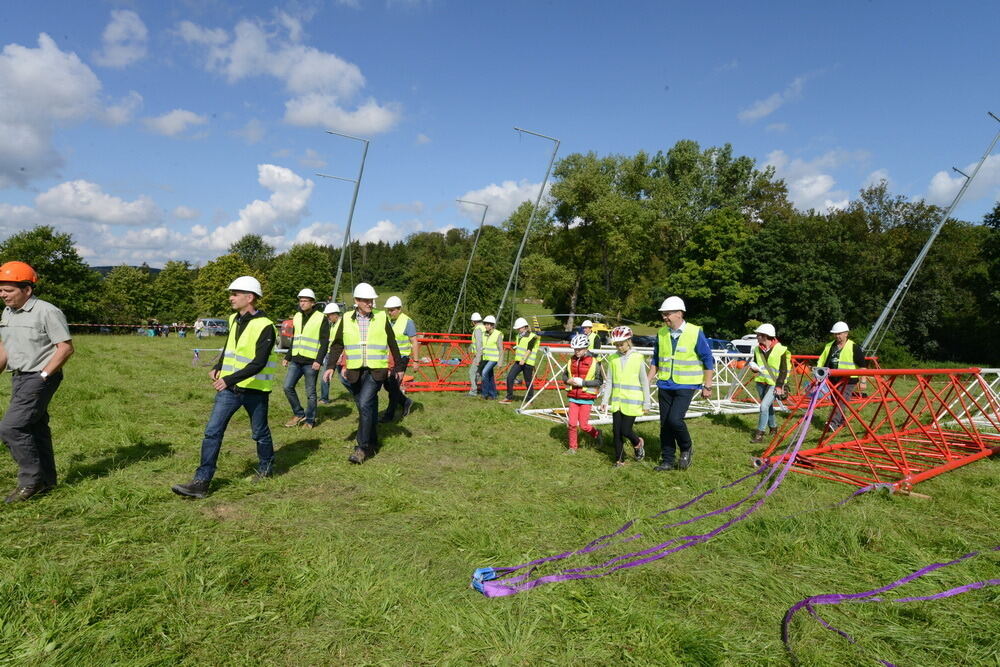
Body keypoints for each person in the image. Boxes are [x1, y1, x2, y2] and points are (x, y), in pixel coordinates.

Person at [172, 276, 277, 499]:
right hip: (230, 390)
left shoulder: (266, 326)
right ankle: (201, 481)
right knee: (212, 432)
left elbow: (258, 363)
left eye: (235, 294)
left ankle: (266, 467)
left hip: (255, 390)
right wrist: (219, 366)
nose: (231, 297)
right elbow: (230, 347)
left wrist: (229, 379)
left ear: (249, 298)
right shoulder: (233, 319)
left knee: (259, 433)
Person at [0, 261, 73, 503]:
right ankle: (47, 482)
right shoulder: (7, 313)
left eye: (8, 290)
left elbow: (65, 348)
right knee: (36, 427)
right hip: (19, 377)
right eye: (1, 290)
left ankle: (30, 481)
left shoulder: (47, 311)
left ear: (27, 290)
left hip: (40, 376)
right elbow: (4, 348)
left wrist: (43, 376)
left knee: (11, 427)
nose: (3, 295)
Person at [324, 283, 401, 464]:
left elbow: (392, 342)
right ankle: (373, 441)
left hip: (376, 371)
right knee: (366, 407)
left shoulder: (381, 318)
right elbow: (337, 344)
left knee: (365, 403)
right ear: (356, 301)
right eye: (366, 300)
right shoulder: (346, 319)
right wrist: (329, 366)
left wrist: (398, 367)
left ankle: (362, 448)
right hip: (355, 371)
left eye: (371, 300)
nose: (370, 303)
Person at [648, 296, 715, 472]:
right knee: (665, 424)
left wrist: (707, 385)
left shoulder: (694, 332)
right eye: (663, 314)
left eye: (667, 314)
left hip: (686, 385)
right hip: (665, 384)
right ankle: (667, 460)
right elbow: (656, 359)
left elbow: (708, 359)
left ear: (679, 313)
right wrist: (647, 380)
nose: (664, 317)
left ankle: (686, 448)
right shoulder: (662, 334)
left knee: (675, 420)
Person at [600, 326, 650, 467]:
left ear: (629, 341)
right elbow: (609, 381)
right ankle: (619, 460)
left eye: (621, 344)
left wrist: (647, 403)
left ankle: (637, 443)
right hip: (617, 402)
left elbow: (644, 381)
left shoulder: (638, 357)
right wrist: (605, 400)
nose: (619, 347)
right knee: (616, 432)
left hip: (633, 402)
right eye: (616, 345)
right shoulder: (613, 358)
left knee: (626, 430)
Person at [282, 288, 329, 429]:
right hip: (296, 360)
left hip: (311, 362)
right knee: (287, 387)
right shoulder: (296, 316)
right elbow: (295, 338)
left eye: (305, 301)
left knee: (311, 393)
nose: (301, 303)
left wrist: (318, 361)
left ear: (312, 303)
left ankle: (310, 420)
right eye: (300, 300)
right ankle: (298, 413)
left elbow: (325, 342)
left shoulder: (321, 318)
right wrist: (287, 357)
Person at [817, 321, 868, 430]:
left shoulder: (853, 347)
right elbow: (821, 361)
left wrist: (863, 381)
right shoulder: (829, 346)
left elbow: (863, 366)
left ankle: (832, 424)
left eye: (840, 333)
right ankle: (842, 421)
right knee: (836, 401)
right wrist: (818, 375)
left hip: (848, 380)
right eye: (835, 334)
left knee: (841, 401)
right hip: (832, 379)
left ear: (846, 333)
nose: (837, 336)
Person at [748, 323, 790, 443]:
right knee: (768, 406)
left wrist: (779, 386)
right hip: (761, 382)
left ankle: (759, 434)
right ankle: (773, 428)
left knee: (763, 406)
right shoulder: (757, 349)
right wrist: (753, 367)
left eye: (759, 335)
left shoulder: (781, 349)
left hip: (774, 383)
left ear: (766, 336)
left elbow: (784, 370)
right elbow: (756, 364)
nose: (757, 337)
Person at [563, 333, 604, 454]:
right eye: (575, 349)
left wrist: (583, 383)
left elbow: (599, 381)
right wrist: (567, 380)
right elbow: (564, 375)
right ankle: (572, 448)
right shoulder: (571, 360)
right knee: (571, 424)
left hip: (586, 398)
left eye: (579, 349)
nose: (577, 352)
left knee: (584, 425)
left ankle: (597, 434)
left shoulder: (594, 362)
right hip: (573, 397)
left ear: (586, 348)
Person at [381, 295, 418, 422]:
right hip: (389, 357)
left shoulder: (408, 322)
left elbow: (414, 342)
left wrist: (416, 361)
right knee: (388, 385)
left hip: (402, 358)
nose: (390, 312)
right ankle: (406, 401)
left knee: (394, 384)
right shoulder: (388, 320)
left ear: (399, 309)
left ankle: (389, 416)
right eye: (388, 310)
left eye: (392, 310)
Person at [500, 317, 540, 405]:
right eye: (517, 328)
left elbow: (529, 349)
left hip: (528, 362)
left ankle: (530, 399)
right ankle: (509, 397)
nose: (518, 330)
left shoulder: (532, 336)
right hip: (519, 362)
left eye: (519, 328)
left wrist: (524, 359)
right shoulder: (518, 336)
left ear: (524, 327)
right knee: (510, 377)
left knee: (528, 381)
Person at [318, 302, 342, 405]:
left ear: (335, 314)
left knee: (344, 378)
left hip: (340, 355)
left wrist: (342, 354)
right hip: (329, 354)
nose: (328, 317)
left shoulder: (342, 325)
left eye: (329, 315)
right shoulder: (332, 325)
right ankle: (324, 398)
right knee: (324, 376)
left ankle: (358, 395)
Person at [477, 315, 503, 401]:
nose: (486, 326)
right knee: (490, 376)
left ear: (492, 325)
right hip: (486, 358)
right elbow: (482, 347)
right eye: (485, 324)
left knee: (484, 373)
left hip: (494, 359)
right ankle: (493, 394)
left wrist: (500, 363)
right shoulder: (484, 334)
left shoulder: (498, 334)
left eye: (488, 324)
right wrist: (479, 359)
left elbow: (500, 349)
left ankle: (485, 394)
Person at [467, 312, 485, 396]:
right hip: (486, 354)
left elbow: (479, 343)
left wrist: (478, 356)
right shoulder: (484, 328)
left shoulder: (478, 329)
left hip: (480, 354)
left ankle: (473, 391)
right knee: (479, 373)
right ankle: (480, 389)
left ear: (473, 321)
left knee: (472, 372)